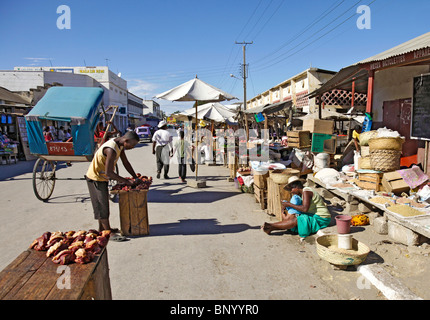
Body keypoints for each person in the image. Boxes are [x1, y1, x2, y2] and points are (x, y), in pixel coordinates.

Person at [85, 131, 142, 235]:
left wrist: (135, 177)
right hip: (95, 178)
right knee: (102, 206)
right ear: (126, 141)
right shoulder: (111, 149)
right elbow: (109, 172)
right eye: (132, 145)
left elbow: (125, 162)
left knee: (102, 204)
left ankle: (102, 229)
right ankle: (107, 232)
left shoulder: (119, 146)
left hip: (102, 177)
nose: (132, 147)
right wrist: (126, 181)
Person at [262, 176, 331, 239]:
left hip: (322, 218)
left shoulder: (306, 191)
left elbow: (304, 209)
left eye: (291, 189)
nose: (291, 191)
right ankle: (271, 226)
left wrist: (289, 204)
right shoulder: (302, 194)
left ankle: (271, 227)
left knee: (298, 220)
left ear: (296, 187)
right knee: (295, 218)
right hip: (312, 215)